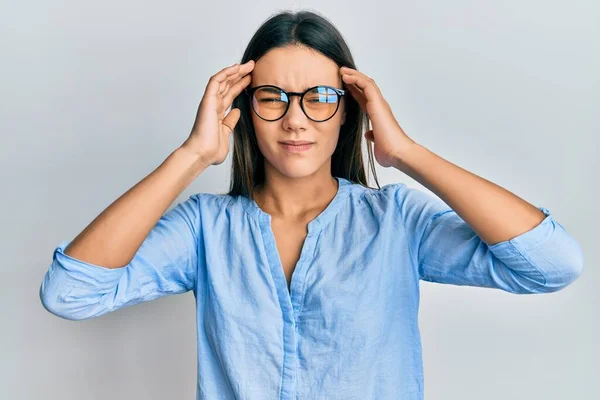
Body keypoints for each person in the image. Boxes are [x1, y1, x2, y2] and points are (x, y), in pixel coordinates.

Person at [39, 9, 584, 400]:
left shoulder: (396, 221)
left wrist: (405, 152)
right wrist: (193, 153)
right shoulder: (206, 229)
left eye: (319, 98)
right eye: (272, 97)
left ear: (349, 110)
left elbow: (553, 266)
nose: (295, 120)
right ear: (245, 108)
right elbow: (70, 293)